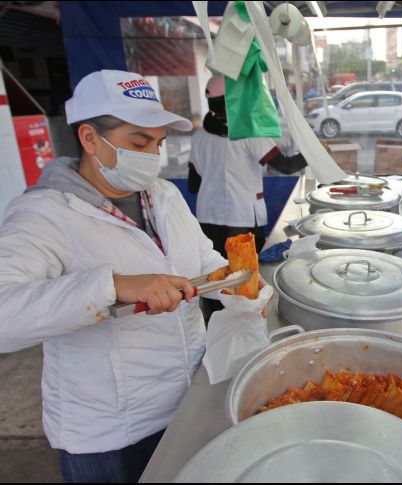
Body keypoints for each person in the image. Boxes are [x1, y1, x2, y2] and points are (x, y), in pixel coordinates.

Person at [0, 70, 264, 483]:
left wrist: (237, 283)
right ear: (90, 138)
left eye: (158, 143)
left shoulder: (164, 196)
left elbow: (202, 261)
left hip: (185, 401)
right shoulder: (44, 215)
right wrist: (113, 286)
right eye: (139, 143)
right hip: (110, 432)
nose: (152, 156)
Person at [189, 75, 309, 255]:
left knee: (215, 268)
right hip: (242, 218)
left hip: (208, 217)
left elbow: (193, 186)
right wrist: (314, 152)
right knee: (246, 269)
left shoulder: (198, 137)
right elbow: (287, 166)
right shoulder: (249, 132)